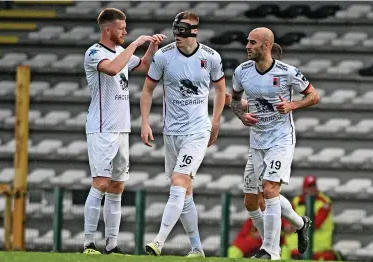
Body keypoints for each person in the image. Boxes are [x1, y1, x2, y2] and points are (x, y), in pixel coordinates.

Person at [140, 11, 226, 258]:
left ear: (195, 31)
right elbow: (147, 91)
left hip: (197, 130)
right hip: (171, 132)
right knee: (185, 190)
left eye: (183, 30)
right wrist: (145, 122)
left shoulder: (210, 57)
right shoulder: (163, 56)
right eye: (176, 29)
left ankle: (158, 241)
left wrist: (216, 121)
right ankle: (197, 248)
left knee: (179, 181)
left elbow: (221, 90)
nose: (178, 35)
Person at [230, 27, 320, 260]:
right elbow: (235, 100)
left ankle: (270, 251)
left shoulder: (287, 72)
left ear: (266, 45)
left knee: (270, 190)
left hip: (280, 139)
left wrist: (292, 106)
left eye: (252, 42)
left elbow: (314, 96)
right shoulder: (242, 72)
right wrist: (242, 116)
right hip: (257, 141)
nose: (247, 46)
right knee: (252, 201)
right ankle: (300, 223)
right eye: (247, 42)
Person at [82, 7, 166, 255]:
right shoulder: (94, 53)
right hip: (101, 128)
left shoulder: (121, 51)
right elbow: (111, 69)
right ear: (108, 30)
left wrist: (151, 47)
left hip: (121, 129)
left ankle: (112, 244)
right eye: (121, 29)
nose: (126, 32)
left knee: (117, 186)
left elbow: (144, 65)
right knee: (100, 183)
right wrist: (136, 43)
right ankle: (88, 243)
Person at [281, 176, 339, 261]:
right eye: (309, 187)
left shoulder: (324, 202)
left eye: (313, 186)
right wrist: (287, 225)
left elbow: (316, 224)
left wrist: (295, 227)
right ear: (304, 188)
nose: (312, 189)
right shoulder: (297, 200)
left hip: (317, 243)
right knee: (285, 244)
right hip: (297, 241)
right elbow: (287, 216)